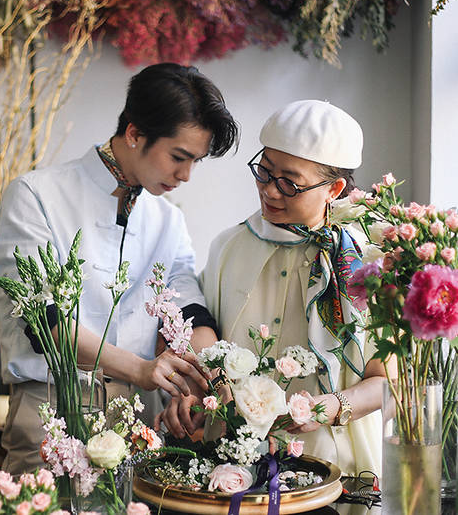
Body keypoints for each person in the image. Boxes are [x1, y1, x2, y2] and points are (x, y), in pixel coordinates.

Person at [0, 63, 239, 474]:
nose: (186, 175)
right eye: (178, 157)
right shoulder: (35, 195)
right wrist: (141, 369)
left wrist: (207, 375)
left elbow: (187, 309)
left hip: (138, 419)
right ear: (135, 133)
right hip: (53, 411)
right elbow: (45, 323)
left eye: (195, 161)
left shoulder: (168, 219)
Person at [157, 99, 389, 477]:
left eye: (289, 183)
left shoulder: (366, 263)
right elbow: (204, 348)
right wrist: (191, 393)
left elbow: (385, 382)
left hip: (337, 464)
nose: (270, 191)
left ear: (335, 188)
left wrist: (333, 405)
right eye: (263, 172)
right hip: (233, 466)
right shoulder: (229, 248)